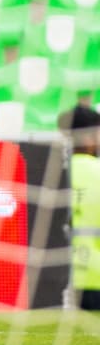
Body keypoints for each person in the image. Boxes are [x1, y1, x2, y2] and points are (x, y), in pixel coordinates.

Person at [61, 104, 100, 311]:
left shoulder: (56, 172)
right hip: (95, 276)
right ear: (88, 136)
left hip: (57, 277)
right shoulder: (96, 172)